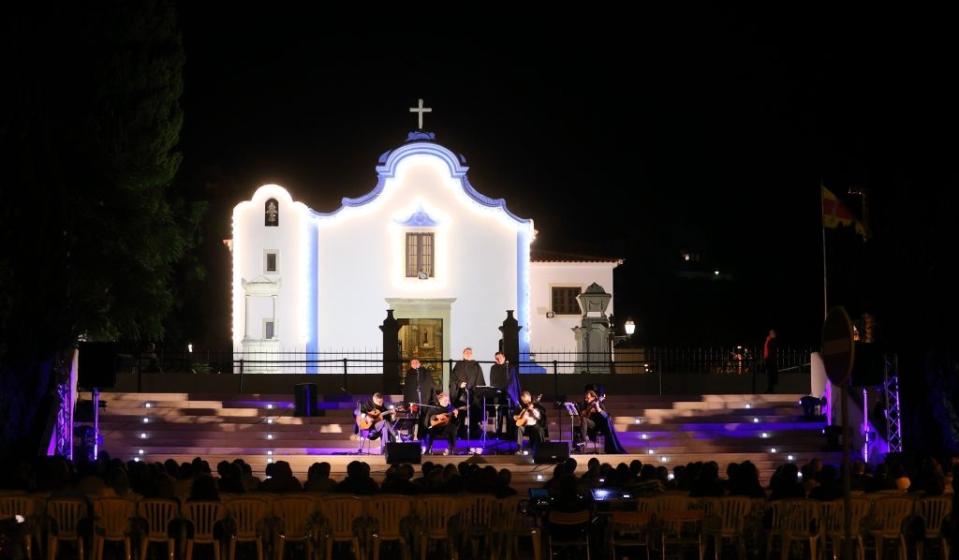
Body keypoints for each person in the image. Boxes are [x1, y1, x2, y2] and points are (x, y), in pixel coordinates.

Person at [450, 347, 484, 438]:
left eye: (470, 352)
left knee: (474, 415)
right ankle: (460, 434)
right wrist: (459, 384)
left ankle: (474, 435)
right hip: (461, 395)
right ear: (463, 354)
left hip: (473, 395)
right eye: (466, 352)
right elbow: (453, 378)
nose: (468, 354)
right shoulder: (458, 365)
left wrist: (476, 390)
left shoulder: (476, 365)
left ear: (472, 354)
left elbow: (480, 380)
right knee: (460, 415)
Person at [403, 358, 437, 439]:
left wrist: (433, 399)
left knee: (424, 419)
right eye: (413, 363)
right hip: (413, 401)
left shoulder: (426, 372)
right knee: (412, 418)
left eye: (416, 362)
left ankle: (421, 437)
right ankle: (410, 436)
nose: (414, 364)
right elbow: (407, 389)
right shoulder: (409, 373)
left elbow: (432, 386)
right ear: (411, 365)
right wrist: (406, 403)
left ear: (420, 363)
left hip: (424, 399)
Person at [763, 329, 779, 393]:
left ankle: (770, 388)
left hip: (769, 359)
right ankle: (770, 388)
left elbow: (769, 350)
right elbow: (770, 350)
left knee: (770, 374)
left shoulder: (769, 340)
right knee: (770, 374)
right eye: (772, 333)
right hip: (770, 359)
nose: (774, 334)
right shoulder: (770, 340)